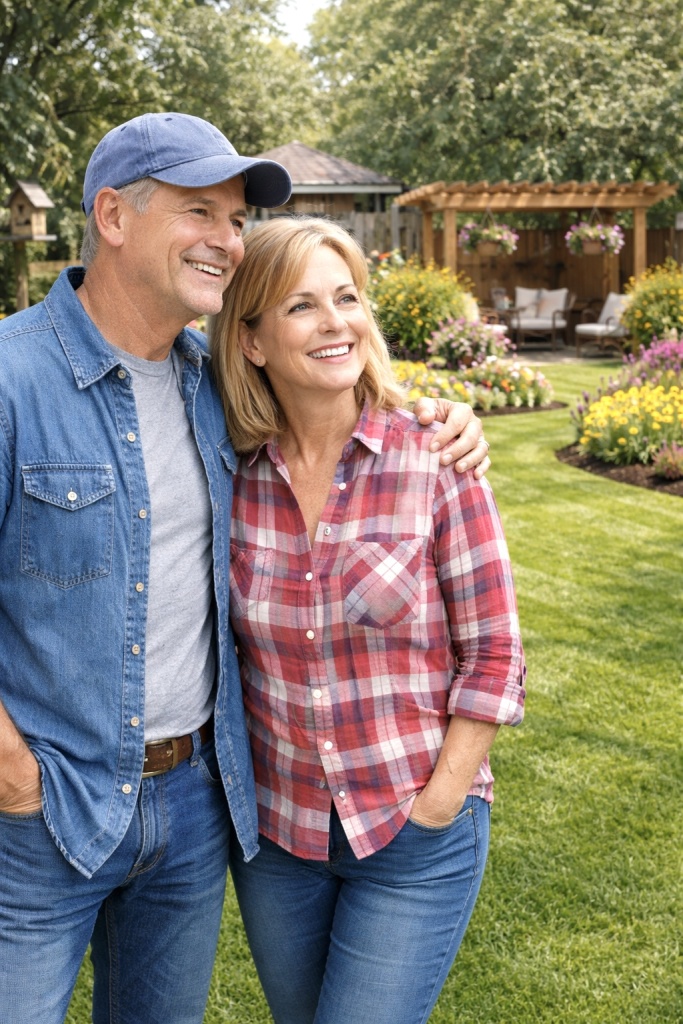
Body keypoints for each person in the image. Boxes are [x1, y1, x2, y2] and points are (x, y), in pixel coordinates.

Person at [0, 113, 489, 1024]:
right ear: (113, 216)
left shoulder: (213, 387)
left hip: (196, 809)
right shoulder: (10, 379)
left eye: (235, 220)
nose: (227, 241)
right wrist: (12, 776)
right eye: (200, 212)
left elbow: (332, 399)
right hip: (40, 813)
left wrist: (444, 421)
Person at [212, 215, 526, 1024]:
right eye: (300, 306)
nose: (334, 322)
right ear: (250, 342)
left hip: (411, 831)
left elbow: (493, 654)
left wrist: (438, 805)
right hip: (280, 842)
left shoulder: (433, 455)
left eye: (346, 297)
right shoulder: (232, 475)